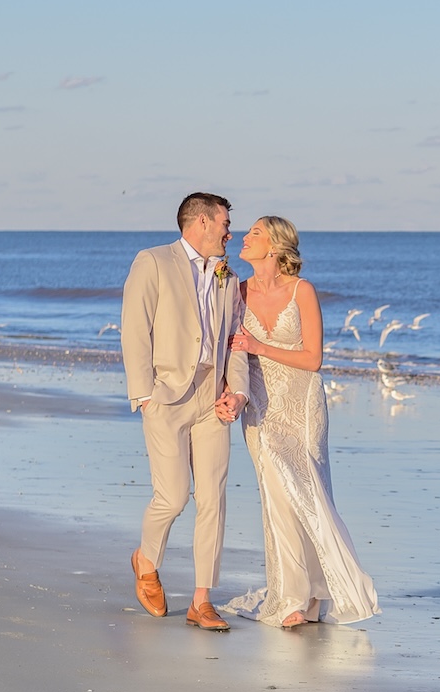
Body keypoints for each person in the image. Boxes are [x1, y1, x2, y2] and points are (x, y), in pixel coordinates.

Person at [222, 215, 378, 627]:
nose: (243, 237)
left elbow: (313, 359)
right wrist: (232, 392)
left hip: (303, 405)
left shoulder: (301, 291)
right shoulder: (236, 293)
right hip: (261, 406)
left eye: (253, 233)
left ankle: (317, 593)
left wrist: (258, 344)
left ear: (274, 246)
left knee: (310, 493)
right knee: (276, 496)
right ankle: (290, 596)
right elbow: (233, 354)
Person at [120, 193, 249, 631]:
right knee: (173, 497)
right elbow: (135, 328)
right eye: (226, 224)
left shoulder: (228, 276)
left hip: (212, 398)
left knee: (213, 497)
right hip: (166, 396)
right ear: (201, 222)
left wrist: (239, 394)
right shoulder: (153, 262)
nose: (232, 232)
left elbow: (235, 341)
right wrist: (144, 394)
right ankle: (146, 559)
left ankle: (201, 599)